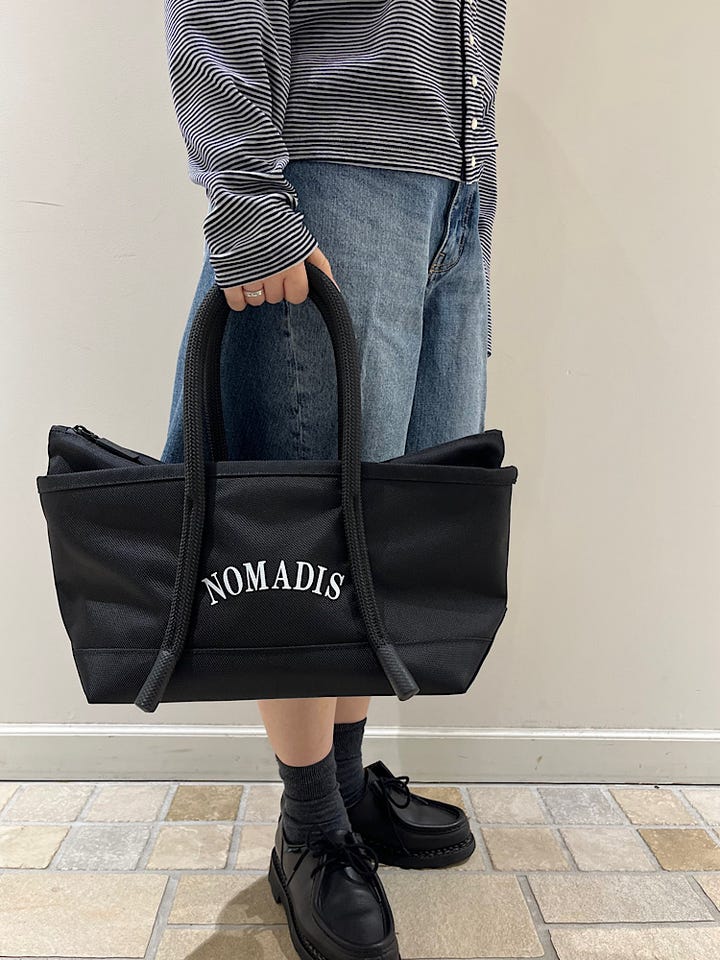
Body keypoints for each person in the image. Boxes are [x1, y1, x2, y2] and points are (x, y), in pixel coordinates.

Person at [160, 2, 507, 958]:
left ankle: (346, 790)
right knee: (299, 523)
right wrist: (246, 194)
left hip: (453, 188)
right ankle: (309, 825)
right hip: (332, 169)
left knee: (386, 521)